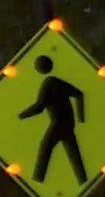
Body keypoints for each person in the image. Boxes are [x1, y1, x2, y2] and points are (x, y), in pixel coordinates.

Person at [17, 53, 89, 186]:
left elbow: (39, 107)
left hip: (59, 124)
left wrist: (21, 116)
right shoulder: (56, 82)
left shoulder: (49, 84)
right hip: (68, 123)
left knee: (45, 148)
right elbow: (79, 94)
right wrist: (80, 119)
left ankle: (38, 181)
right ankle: (83, 181)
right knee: (73, 153)